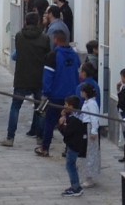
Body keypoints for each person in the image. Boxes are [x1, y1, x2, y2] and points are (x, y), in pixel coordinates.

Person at [1, 12, 49, 147]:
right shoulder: (44, 38)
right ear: (38, 22)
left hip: (21, 76)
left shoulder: (19, 36)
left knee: (15, 107)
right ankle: (40, 137)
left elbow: (18, 53)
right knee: (40, 107)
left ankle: (10, 137)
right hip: (39, 77)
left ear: (26, 22)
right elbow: (47, 55)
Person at [37, 30, 81, 158]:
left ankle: (45, 148)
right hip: (72, 96)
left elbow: (47, 77)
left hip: (56, 95)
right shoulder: (74, 55)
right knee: (70, 122)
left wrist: (45, 93)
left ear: (55, 40)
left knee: (50, 122)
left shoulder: (53, 55)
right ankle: (69, 149)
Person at [57, 95, 87, 197]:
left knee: (70, 165)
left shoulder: (75, 119)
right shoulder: (77, 115)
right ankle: (76, 185)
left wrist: (60, 125)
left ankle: (76, 187)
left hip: (74, 145)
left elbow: (67, 132)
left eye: (66, 105)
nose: (64, 106)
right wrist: (65, 116)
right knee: (71, 164)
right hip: (75, 143)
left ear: (71, 106)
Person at [79, 83, 100, 188]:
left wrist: (94, 131)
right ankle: (87, 176)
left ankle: (89, 177)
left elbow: (94, 118)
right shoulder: (87, 102)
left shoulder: (92, 104)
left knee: (90, 153)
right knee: (86, 152)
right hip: (85, 127)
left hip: (90, 128)